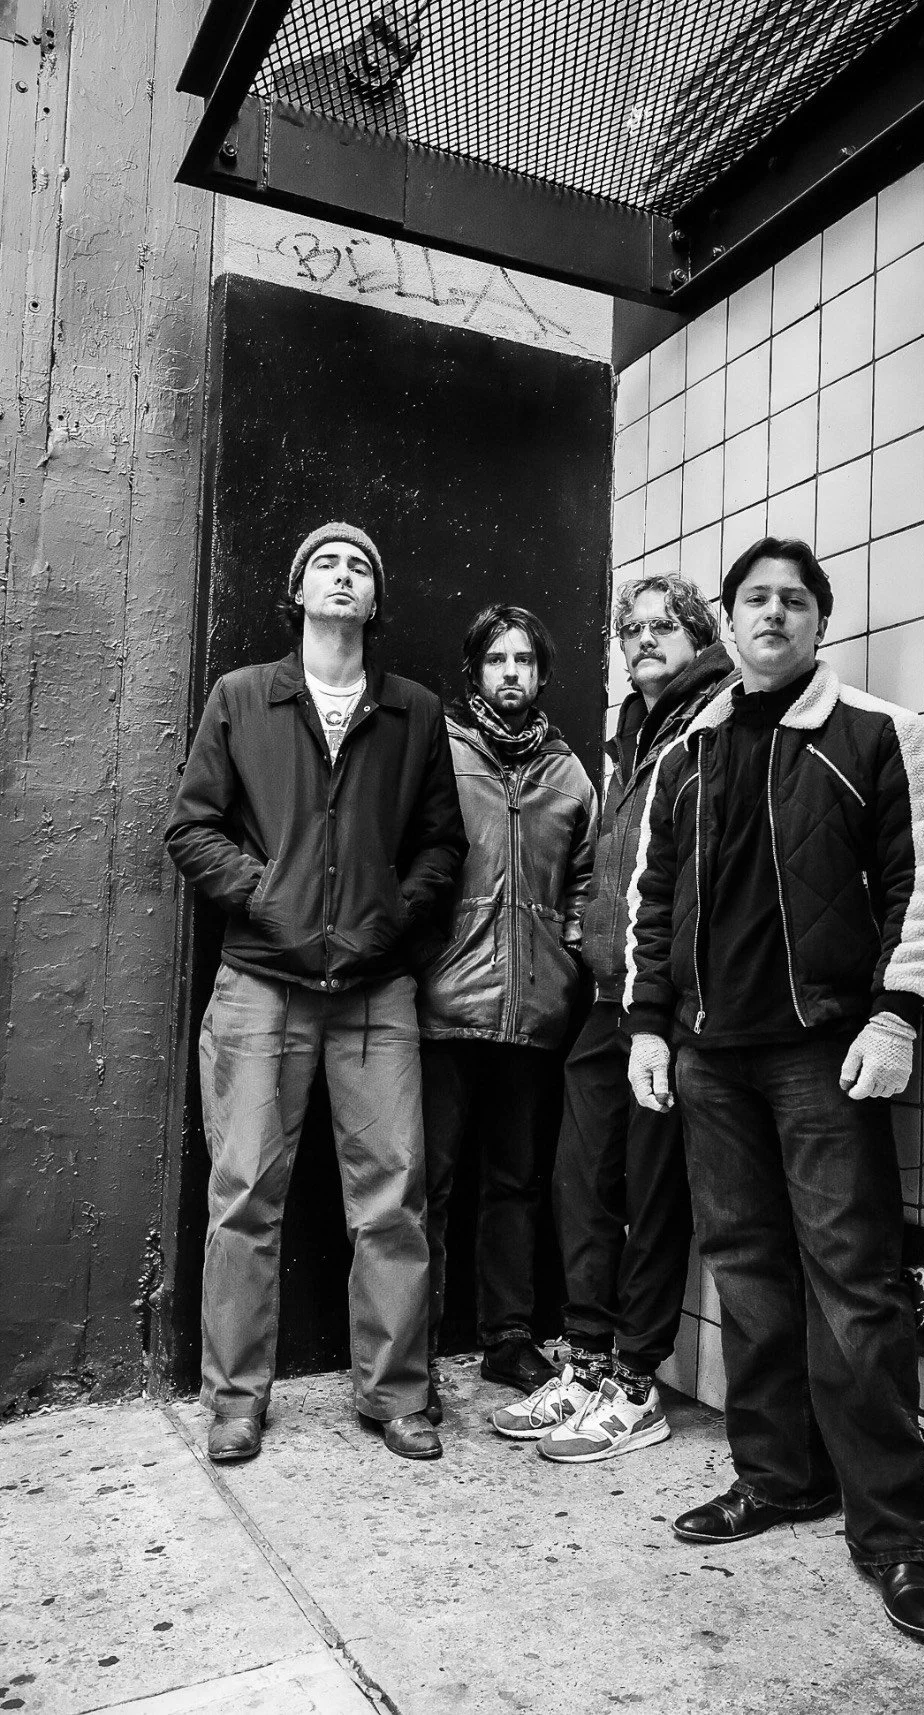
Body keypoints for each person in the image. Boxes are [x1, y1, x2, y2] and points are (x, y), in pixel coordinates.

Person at [623, 537, 924, 1642]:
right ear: (727, 622)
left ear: (820, 620)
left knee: (854, 1287)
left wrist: (894, 1012)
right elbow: (652, 894)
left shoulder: (873, 733)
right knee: (752, 1279)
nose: (772, 613)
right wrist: (647, 1024)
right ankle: (778, 1479)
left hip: (824, 1051)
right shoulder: (691, 749)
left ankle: (895, 1534)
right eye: (754, 599)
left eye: (794, 599)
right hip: (711, 1056)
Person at [165, 523, 467, 1465]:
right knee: (245, 1195)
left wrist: (385, 916)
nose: (345, 576)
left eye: (363, 567)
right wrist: (267, 894)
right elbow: (190, 827)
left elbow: (442, 845)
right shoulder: (243, 697)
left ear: (376, 603)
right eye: (327, 565)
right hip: (261, 981)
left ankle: (396, 1395)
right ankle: (236, 1400)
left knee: (392, 1198)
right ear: (298, 592)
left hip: (376, 991)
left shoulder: (412, 710)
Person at [490, 575, 736, 1459]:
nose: (641, 639)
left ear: (700, 634)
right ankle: (586, 1357)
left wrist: (660, 1005)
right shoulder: (634, 736)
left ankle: (637, 1380)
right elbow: (612, 863)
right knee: (581, 1182)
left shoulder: (720, 718)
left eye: (661, 625)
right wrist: (580, 924)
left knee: (650, 1191)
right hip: (605, 995)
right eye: (629, 628)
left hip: (664, 1005)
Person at [417, 604, 598, 1398]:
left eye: (526, 660)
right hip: (445, 1004)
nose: (513, 673)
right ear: (475, 672)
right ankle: (408, 1347)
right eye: (498, 660)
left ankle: (507, 1338)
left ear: (543, 675)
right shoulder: (439, 753)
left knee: (516, 1182)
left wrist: (569, 949)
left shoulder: (569, 773)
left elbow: (588, 882)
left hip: (534, 1011)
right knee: (426, 1182)